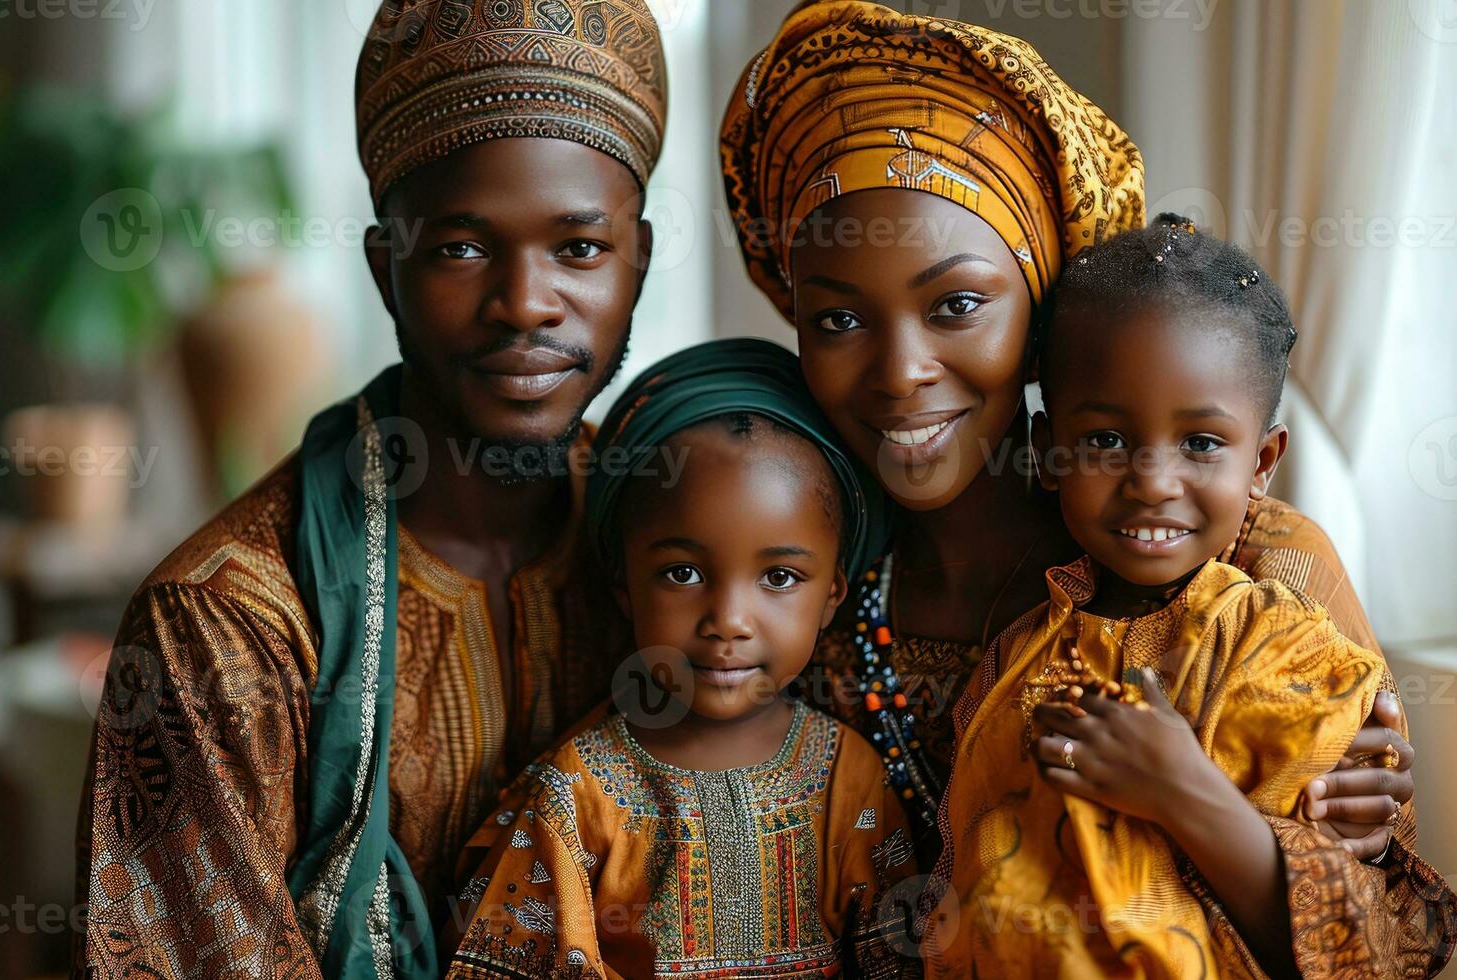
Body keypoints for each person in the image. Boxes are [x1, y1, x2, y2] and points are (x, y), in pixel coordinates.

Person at [720, 0, 1457, 971]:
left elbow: (1385, 936)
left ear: (1042, 305)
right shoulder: (804, 579)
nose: (902, 371)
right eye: (838, 320)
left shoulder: (1257, 570)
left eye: (955, 304)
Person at [73, 2, 666, 977]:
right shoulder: (221, 625)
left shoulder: (683, 545)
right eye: (462, 248)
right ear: (387, 269)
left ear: (637, 262)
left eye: (579, 248)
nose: (525, 301)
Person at [926, 216, 1390, 977]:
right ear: (1047, 452)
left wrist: (1180, 790)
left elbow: (1344, 938)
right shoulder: (1014, 656)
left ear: (1263, 462)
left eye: (1202, 444)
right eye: (1106, 440)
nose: (1151, 482)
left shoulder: (1280, 649)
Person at [443, 340, 916, 978]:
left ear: (834, 590)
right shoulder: (580, 790)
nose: (728, 620)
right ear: (624, 587)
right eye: (683, 571)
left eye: (779, 577)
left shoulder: (849, 778)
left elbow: (897, 962)